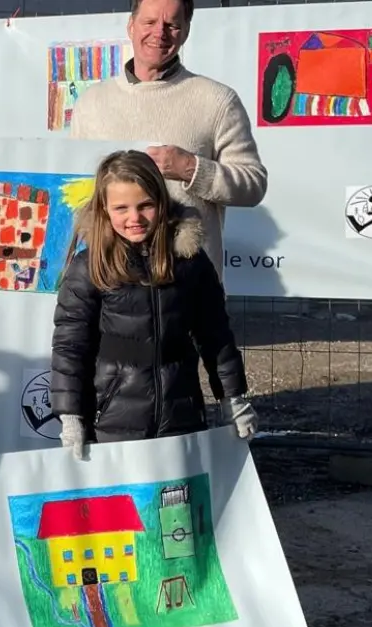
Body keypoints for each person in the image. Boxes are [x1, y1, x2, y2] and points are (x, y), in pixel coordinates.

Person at [50, 150, 255, 460]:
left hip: (181, 411)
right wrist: (71, 415)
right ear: (105, 210)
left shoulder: (190, 263)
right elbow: (70, 346)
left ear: (161, 202)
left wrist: (233, 399)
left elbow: (216, 336)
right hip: (112, 419)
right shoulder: (89, 268)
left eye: (145, 205)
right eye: (121, 208)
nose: (134, 218)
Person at [68, 0, 266, 274]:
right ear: (131, 26)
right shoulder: (91, 103)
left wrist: (190, 168)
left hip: (187, 285)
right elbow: (79, 192)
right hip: (111, 283)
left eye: (171, 25)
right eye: (149, 22)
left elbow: (253, 184)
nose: (159, 33)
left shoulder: (217, 100)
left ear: (185, 31)